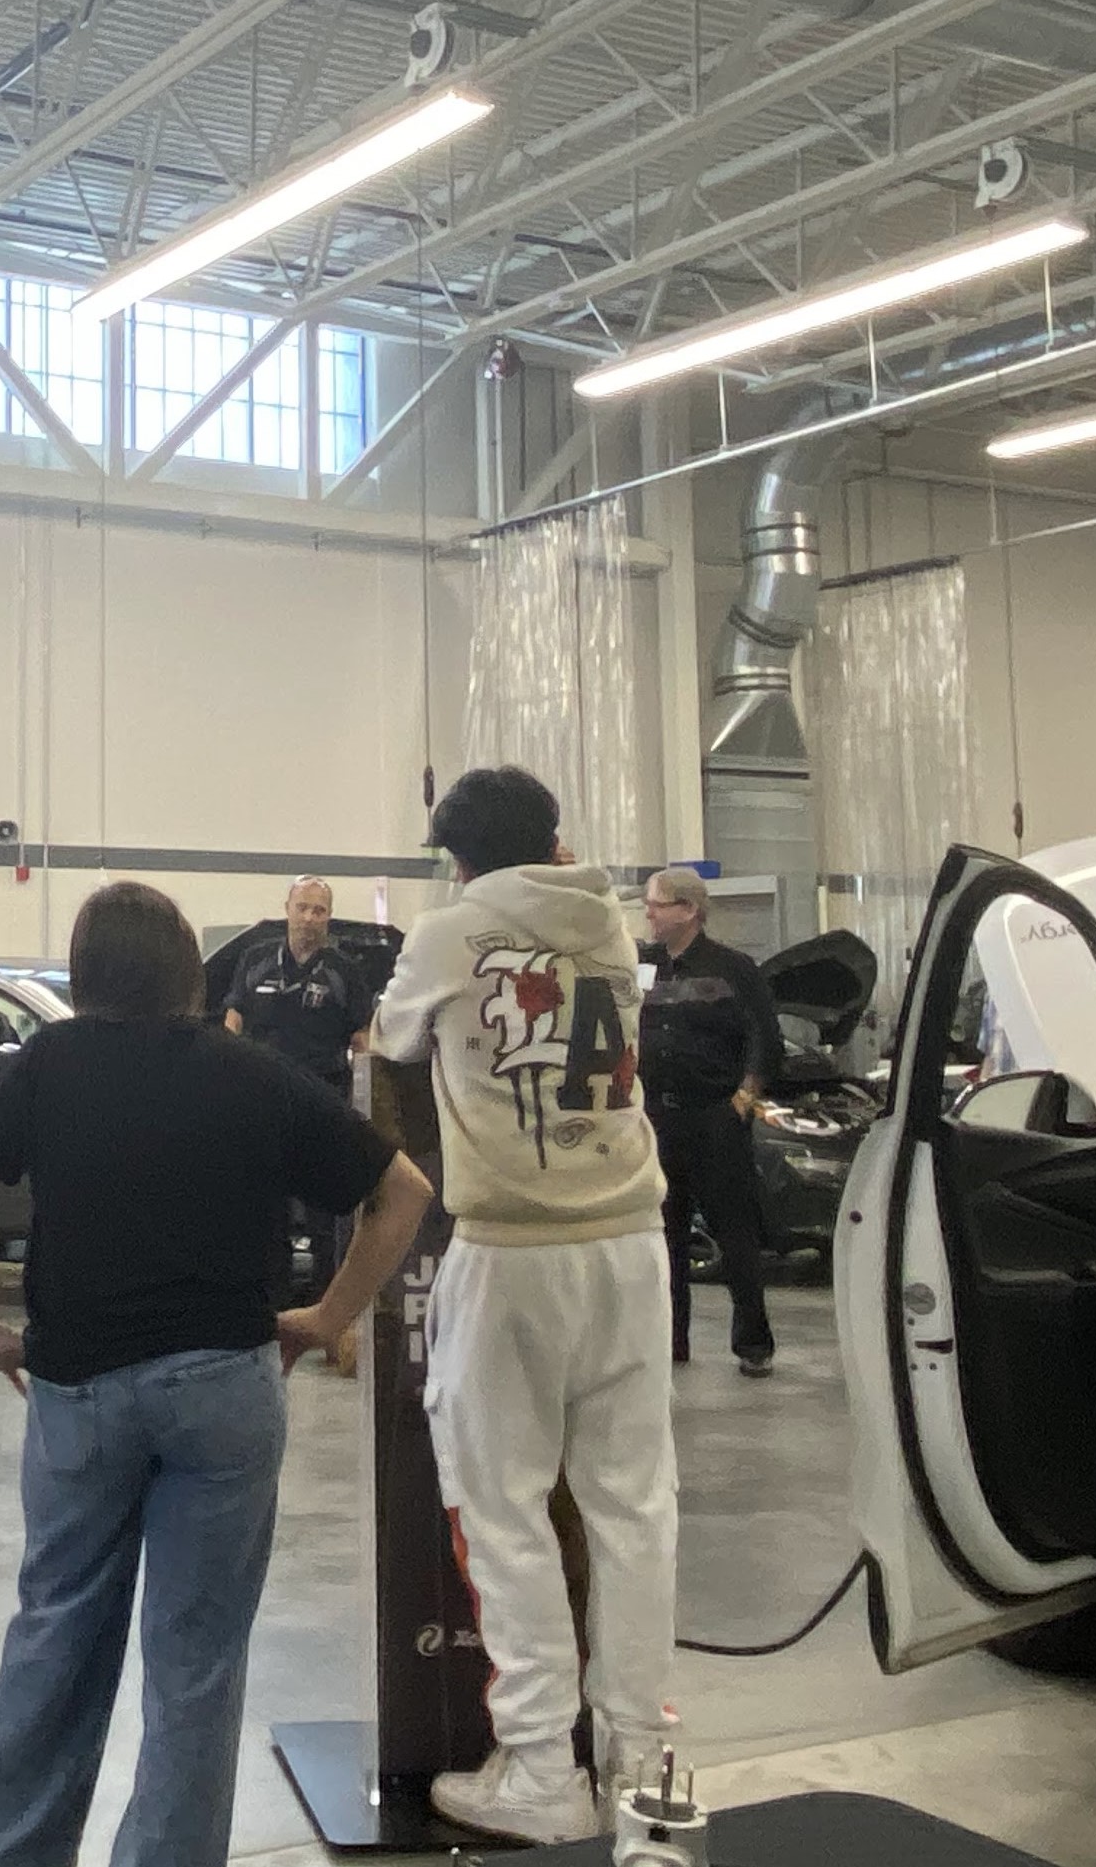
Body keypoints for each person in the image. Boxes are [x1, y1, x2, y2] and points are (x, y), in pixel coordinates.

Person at [0, 880, 427, 1867]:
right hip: (222, 1389)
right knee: (195, 1666)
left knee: (58, 1632)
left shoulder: (50, 1062)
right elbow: (401, 1193)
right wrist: (330, 1316)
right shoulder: (251, 1071)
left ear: (85, 969)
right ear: (183, 973)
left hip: (79, 1392)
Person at [376, 767, 674, 1847]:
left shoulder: (449, 931)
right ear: (556, 839)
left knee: (501, 1509)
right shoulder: (612, 924)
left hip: (511, 1248)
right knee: (635, 1508)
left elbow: (396, 1046)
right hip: (632, 1241)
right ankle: (645, 1767)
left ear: (455, 858)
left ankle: (544, 1770)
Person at [639, 867, 781, 1377]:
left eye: (656, 904)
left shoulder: (734, 969)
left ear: (689, 910)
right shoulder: (642, 965)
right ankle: (671, 1340)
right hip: (656, 1120)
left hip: (714, 1119)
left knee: (735, 1234)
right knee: (664, 1236)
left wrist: (741, 1103)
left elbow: (765, 1041)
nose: (648, 913)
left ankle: (753, 1345)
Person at [223, 877, 374, 1301]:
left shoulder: (345, 972)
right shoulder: (255, 960)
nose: (309, 918)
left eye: (319, 910)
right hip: (261, 1105)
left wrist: (366, 1103)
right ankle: (268, 1305)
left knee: (324, 1216)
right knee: (264, 1210)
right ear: (287, 908)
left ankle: (328, 1310)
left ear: (329, 916)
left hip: (322, 1107)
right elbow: (233, 1023)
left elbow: (362, 1041)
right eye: (302, 907)